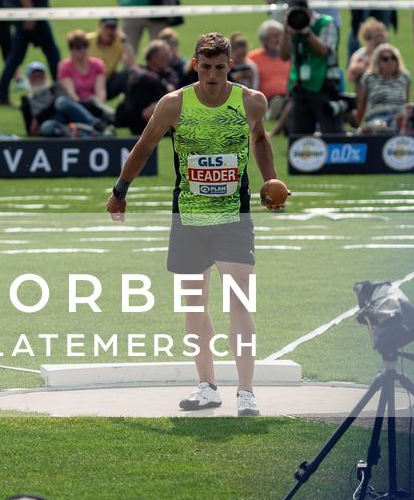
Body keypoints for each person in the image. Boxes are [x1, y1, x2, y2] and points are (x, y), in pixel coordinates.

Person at [107, 31, 285, 417]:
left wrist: (270, 179)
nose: (212, 75)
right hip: (187, 215)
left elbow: (259, 139)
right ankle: (206, 385)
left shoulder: (251, 102)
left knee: (239, 300)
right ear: (194, 65)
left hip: (233, 216)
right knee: (194, 302)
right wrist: (121, 190)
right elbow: (144, 145)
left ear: (230, 67)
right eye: (205, 67)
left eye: (219, 68)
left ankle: (247, 391)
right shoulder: (174, 105)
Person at [284, 0, 344, 137]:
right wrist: (285, 30)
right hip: (301, 86)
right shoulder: (291, 27)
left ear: (308, 11)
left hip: (325, 85)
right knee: (300, 137)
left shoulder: (326, 22)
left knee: (331, 134)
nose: (297, 18)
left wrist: (307, 32)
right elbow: (284, 55)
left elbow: (323, 51)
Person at [21, 63, 104, 137]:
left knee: (62, 102)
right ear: (29, 78)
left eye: (40, 75)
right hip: (53, 124)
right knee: (47, 127)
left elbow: (60, 103)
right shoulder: (26, 100)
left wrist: (38, 118)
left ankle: (97, 125)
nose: (38, 78)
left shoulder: (55, 88)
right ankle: (77, 133)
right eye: (34, 76)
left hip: (67, 116)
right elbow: (31, 129)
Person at [115, 40, 177, 135]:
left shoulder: (169, 74)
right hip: (138, 121)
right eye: (164, 56)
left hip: (161, 116)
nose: (168, 59)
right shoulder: (140, 74)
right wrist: (160, 83)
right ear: (153, 58)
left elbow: (172, 90)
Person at [55, 30, 114, 128]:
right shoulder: (65, 66)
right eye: (78, 47)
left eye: (85, 46)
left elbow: (101, 91)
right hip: (76, 106)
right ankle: (96, 124)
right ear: (71, 50)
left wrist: (98, 104)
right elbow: (72, 94)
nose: (83, 50)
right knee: (62, 102)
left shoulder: (98, 64)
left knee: (94, 101)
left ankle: (95, 124)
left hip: (93, 105)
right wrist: (83, 109)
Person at [353, 44, 413, 132]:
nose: (390, 61)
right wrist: (357, 126)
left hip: (398, 116)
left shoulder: (404, 77)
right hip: (376, 116)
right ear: (378, 61)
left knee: (401, 123)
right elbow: (362, 104)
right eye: (385, 59)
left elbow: (405, 102)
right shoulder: (369, 77)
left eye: (393, 58)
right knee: (379, 127)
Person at [245, 21, 291, 126]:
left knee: (288, 102)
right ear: (263, 39)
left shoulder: (288, 56)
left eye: (281, 35)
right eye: (274, 36)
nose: (278, 39)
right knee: (274, 102)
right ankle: (270, 111)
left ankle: (273, 113)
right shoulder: (252, 58)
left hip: (288, 96)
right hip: (265, 98)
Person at [90, 18, 134, 97]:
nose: (109, 32)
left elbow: (131, 64)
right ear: (99, 27)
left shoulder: (119, 43)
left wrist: (124, 40)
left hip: (108, 82)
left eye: (112, 28)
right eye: (107, 28)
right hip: (88, 82)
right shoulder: (87, 40)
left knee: (130, 74)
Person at [345, 18, 388, 85]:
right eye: (377, 36)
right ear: (367, 38)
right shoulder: (360, 54)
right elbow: (351, 74)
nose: (380, 40)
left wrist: (364, 69)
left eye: (382, 36)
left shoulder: (389, 53)